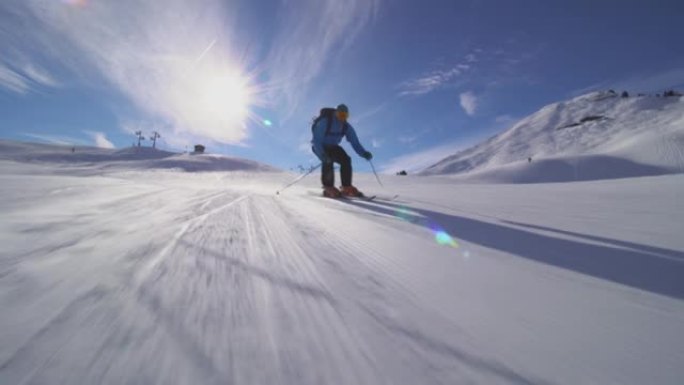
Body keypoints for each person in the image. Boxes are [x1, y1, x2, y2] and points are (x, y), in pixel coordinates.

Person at [311, 104, 373, 198]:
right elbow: (317, 141)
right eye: (340, 115)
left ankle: (346, 187)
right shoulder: (325, 122)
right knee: (328, 160)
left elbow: (355, 142)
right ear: (336, 113)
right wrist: (322, 155)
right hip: (320, 146)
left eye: (345, 116)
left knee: (346, 160)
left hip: (333, 147)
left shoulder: (346, 127)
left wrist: (363, 153)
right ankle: (328, 187)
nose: (342, 118)